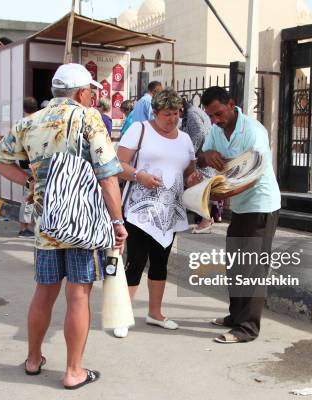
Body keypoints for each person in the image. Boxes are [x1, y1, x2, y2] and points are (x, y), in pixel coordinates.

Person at [0, 63, 127, 390]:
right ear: (81, 92)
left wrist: (29, 181)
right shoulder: (87, 117)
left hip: (47, 224)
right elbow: (107, 176)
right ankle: (73, 371)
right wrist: (118, 221)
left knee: (44, 293)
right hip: (83, 224)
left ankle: (34, 359)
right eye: (90, 91)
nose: (92, 96)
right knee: (78, 295)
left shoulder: (30, 121)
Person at [115, 88, 202, 339]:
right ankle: (123, 315)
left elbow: (188, 173)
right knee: (135, 262)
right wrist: (138, 175)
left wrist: (193, 178)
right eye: (167, 114)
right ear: (155, 112)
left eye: (176, 113)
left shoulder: (185, 139)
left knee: (160, 263)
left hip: (170, 212)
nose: (173, 119)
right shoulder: (139, 130)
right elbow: (117, 164)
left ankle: (155, 313)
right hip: (139, 210)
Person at [198, 86, 281, 344]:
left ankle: (247, 328)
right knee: (235, 264)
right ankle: (236, 316)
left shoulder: (254, 131)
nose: (215, 120)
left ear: (232, 104)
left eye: (219, 114)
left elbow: (255, 174)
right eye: (210, 116)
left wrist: (223, 196)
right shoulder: (215, 131)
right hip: (241, 206)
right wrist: (206, 156)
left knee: (252, 268)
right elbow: (201, 159)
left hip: (261, 205)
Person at [181, 97, 216, 233]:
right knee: (203, 188)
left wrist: (192, 152)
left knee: (202, 188)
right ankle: (206, 219)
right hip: (203, 154)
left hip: (201, 156)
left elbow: (200, 132)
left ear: (181, 108)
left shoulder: (192, 114)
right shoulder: (194, 112)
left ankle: (206, 221)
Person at [18, 96, 39, 238]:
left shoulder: (19, 124)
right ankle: (23, 228)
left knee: (29, 195)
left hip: (23, 161)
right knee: (29, 196)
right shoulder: (38, 122)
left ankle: (27, 225)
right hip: (33, 162)